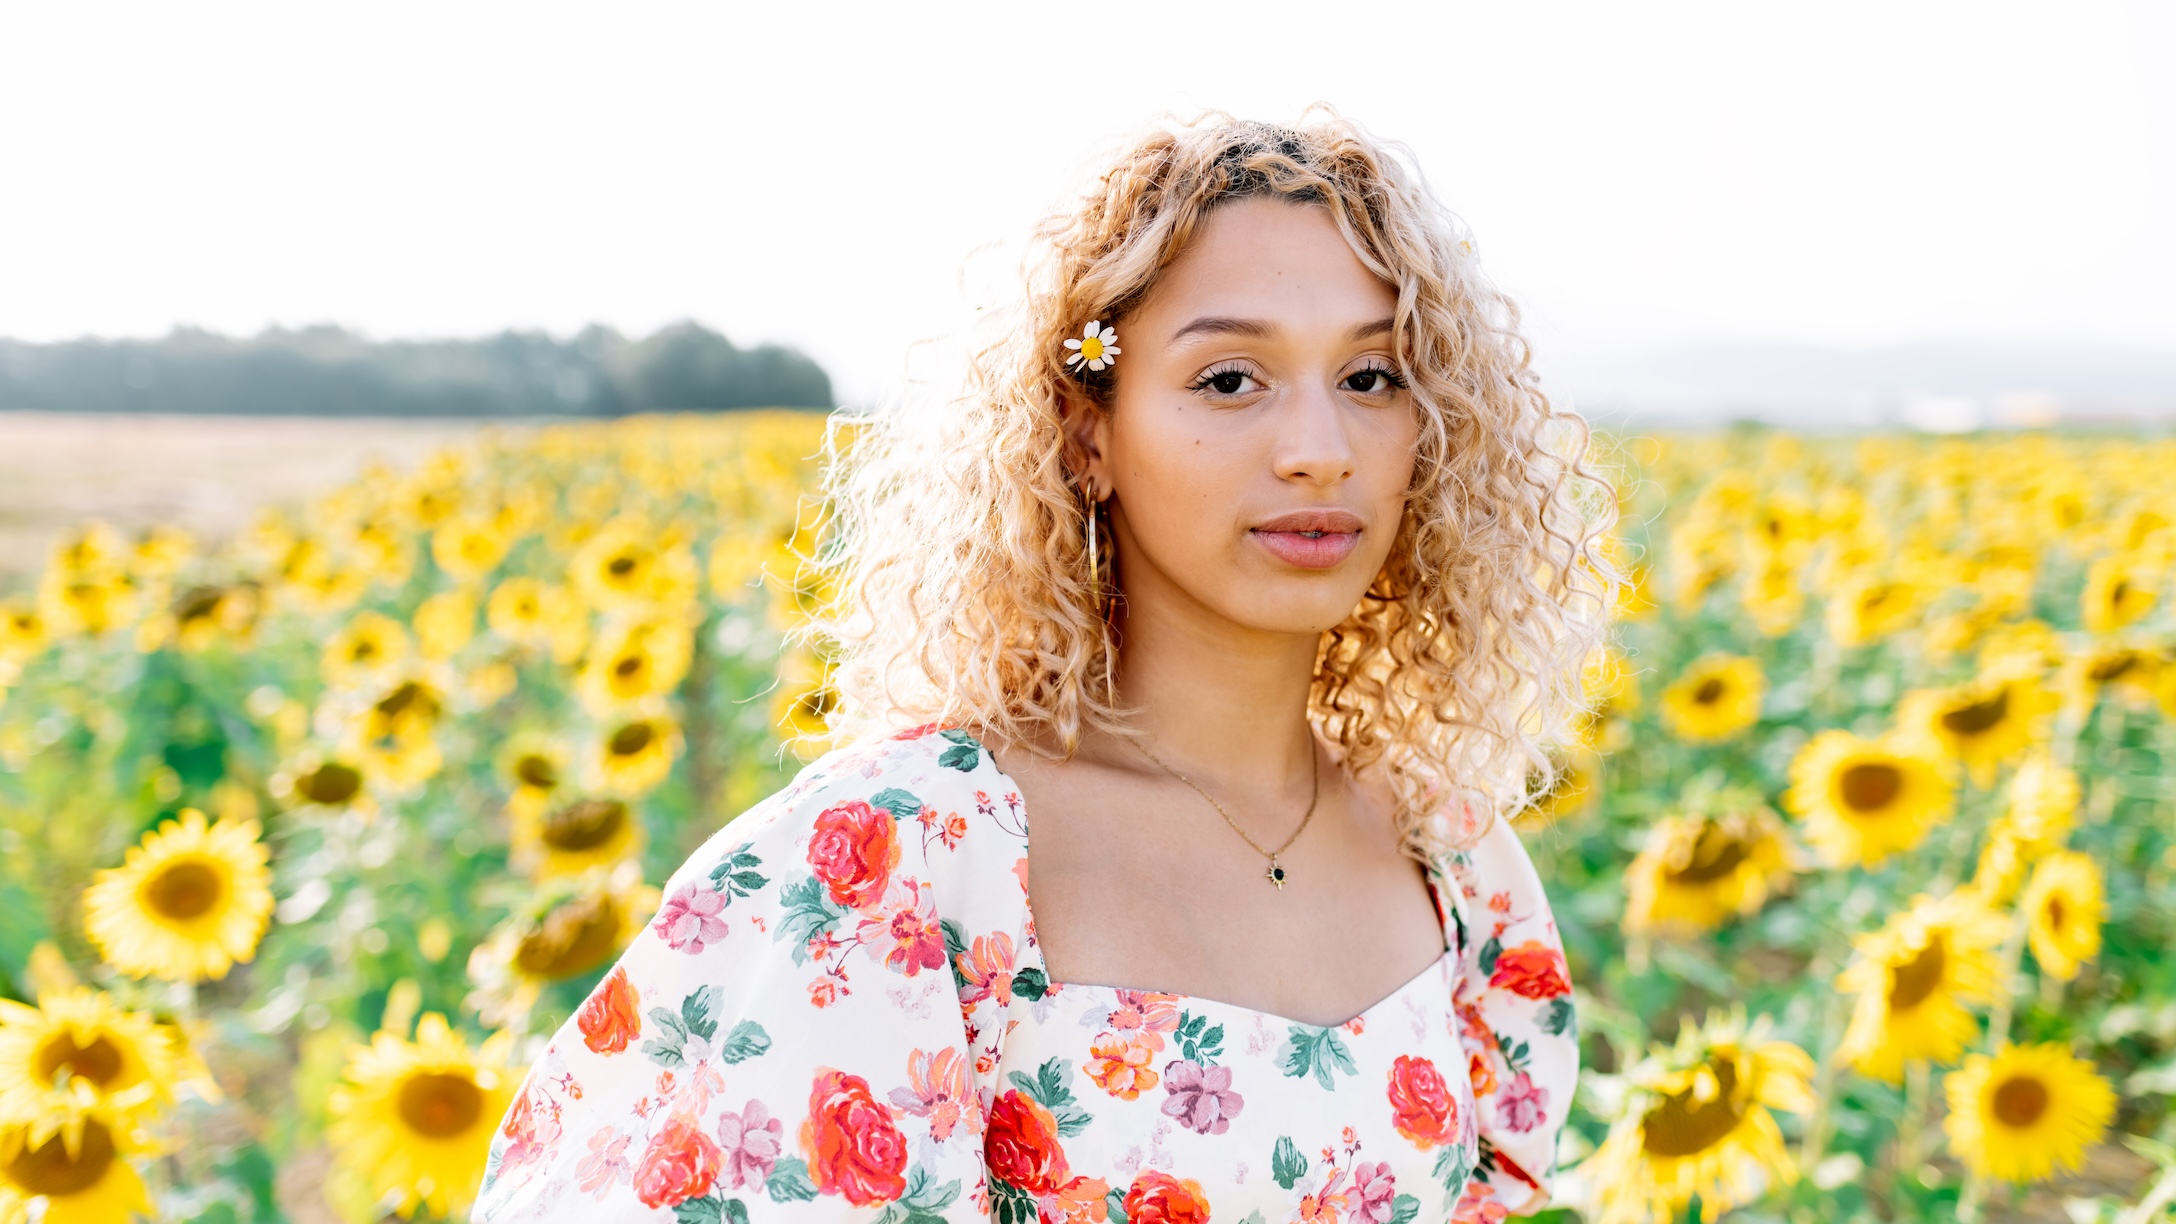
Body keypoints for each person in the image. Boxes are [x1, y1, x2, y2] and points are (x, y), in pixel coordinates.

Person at [473, 111, 1618, 1223]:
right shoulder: (901, 858)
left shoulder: (1446, 851)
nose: (1319, 449)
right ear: (1087, 433)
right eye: (1229, 380)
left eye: (1372, 378)